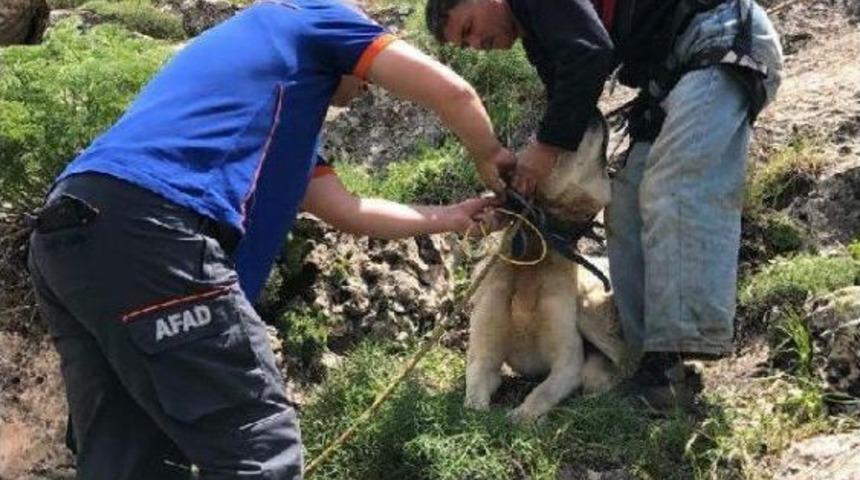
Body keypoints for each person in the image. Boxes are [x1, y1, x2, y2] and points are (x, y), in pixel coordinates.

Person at [26, 0, 515, 478]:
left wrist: (453, 217)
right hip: (152, 228)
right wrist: (492, 158)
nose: (367, 86)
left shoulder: (275, 115)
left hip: (69, 234)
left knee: (130, 454)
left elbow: (348, 210)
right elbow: (453, 93)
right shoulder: (317, 14)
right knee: (258, 447)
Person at [425, 0, 783, 408]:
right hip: (671, 76)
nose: (476, 44)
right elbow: (573, 113)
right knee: (626, 204)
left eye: (469, 28)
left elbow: (590, 52)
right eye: (465, 44)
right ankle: (648, 360)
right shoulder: (538, 38)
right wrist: (518, 196)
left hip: (720, 42)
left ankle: (675, 352)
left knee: (673, 187)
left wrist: (544, 148)